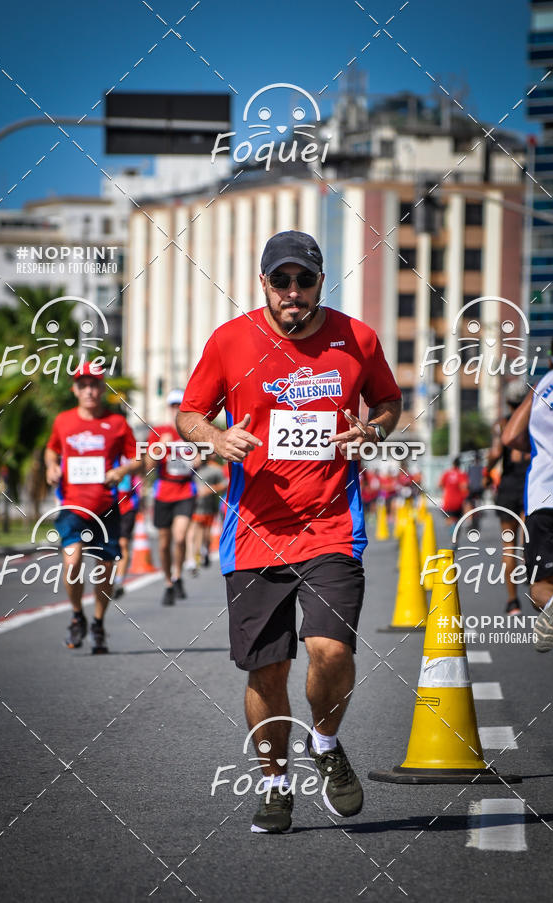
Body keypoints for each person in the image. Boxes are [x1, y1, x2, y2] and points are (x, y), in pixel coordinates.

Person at [177, 230, 402, 833]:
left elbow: (389, 402)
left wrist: (374, 430)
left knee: (331, 649)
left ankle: (324, 743)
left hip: (332, 526)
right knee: (268, 670)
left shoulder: (358, 338)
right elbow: (189, 413)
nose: (292, 291)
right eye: (281, 280)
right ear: (264, 284)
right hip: (254, 532)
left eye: (304, 279)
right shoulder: (230, 340)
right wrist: (216, 437)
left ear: (321, 282)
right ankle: (276, 784)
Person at [502, 315, 553, 714]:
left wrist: (543, 448)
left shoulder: (547, 383)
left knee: (543, 588)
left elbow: (510, 436)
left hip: (549, 498)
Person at [44, 363, 140, 653]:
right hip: (72, 507)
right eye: (83, 385)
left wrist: (121, 471)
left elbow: (139, 458)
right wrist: (51, 467)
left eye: (94, 385)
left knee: (105, 570)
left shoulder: (117, 423)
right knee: (72, 563)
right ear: (75, 390)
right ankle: (77, 616)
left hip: (106, 508)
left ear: (102, 389)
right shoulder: (63, 421)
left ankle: (98, 622)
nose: (89, 390)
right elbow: (52, 449)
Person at [146, 389, 197, 605]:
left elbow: (204, 456)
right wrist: (160, 447)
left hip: (185, 490)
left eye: (180, 406)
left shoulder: (192, 431)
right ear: (169, 408)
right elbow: (147, 465)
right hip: (164, 491)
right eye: (174, 406)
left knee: (180, 537)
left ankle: (177, 575)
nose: (177, 409)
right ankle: (168, 582)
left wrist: (199, 458)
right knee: (164, 544)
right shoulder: (159, 431)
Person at [487, 380, 531, 615]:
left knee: (508, 546)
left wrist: (486, 472)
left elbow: (495, 453)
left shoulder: (502, 424)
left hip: (508, 486)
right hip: (530, 484)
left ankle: (513, 601)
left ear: (507, 401)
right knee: (530, 538)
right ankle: (535, 580)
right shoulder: (534, 422)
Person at [186, 456, 227, 572]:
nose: (196, 459)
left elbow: (224, 484)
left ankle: (205, 549)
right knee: (193, 531)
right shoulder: (189, 470)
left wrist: (209, 490)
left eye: (198, 455)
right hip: (193, 506)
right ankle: (192, 559)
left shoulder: (214, 469)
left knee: (206, 533)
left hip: (209, 507)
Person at [113, 460, 142, 599]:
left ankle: (119, 581)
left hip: (128, 506)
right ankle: (108, 577)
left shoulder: (131, 457)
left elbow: (142, 469)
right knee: (109, 544)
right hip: (109, 505)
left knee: (123, 543)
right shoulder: (109, 455)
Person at [439, 457, 468, 544]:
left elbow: (440, 485)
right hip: (458, 502)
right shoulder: (461, 474)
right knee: (458, 521)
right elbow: (464, 487)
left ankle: (452, 530)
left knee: (449, 519)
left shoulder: (446, 474)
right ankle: (455, 536)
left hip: (448, 501)